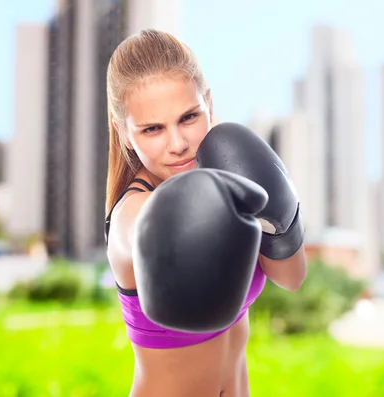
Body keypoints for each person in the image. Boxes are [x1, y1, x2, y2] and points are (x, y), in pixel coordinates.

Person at [104, 29, 307, 397]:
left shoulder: (231, 179)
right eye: (152, 129)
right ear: (123, 132)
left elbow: (291, 278)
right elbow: (133, 234)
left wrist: (280, 212)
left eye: (188, 117)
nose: (178, 144)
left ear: (208, 105)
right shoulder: (133, 211)